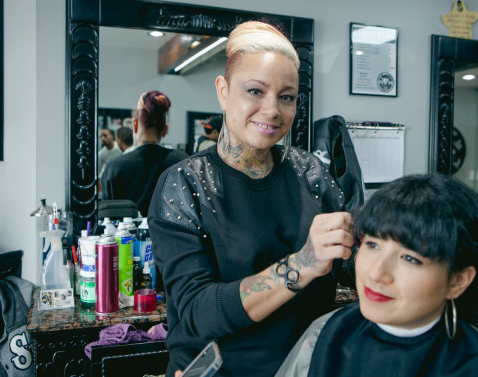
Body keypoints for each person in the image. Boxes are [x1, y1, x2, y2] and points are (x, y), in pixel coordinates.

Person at [148, 21, 358, 376]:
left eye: (286, 96)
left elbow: (350, 264)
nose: (273, 110)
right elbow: (199, 312)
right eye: (255, 91)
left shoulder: (310, 173)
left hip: (305, 367)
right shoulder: (185, 184)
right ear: (224, 91)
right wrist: (302, 265)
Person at [276, 173, 478, 377]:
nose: (376, 273)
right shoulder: (324, 337)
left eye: (410, 258)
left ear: (457, 280)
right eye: (372, 244)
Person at [101, 91, 187, 215]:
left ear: (134, 125)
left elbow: (107, 219)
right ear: (165, 129)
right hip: (173, 234)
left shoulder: (114, 168)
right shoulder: (183, 163)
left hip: (126, 234)